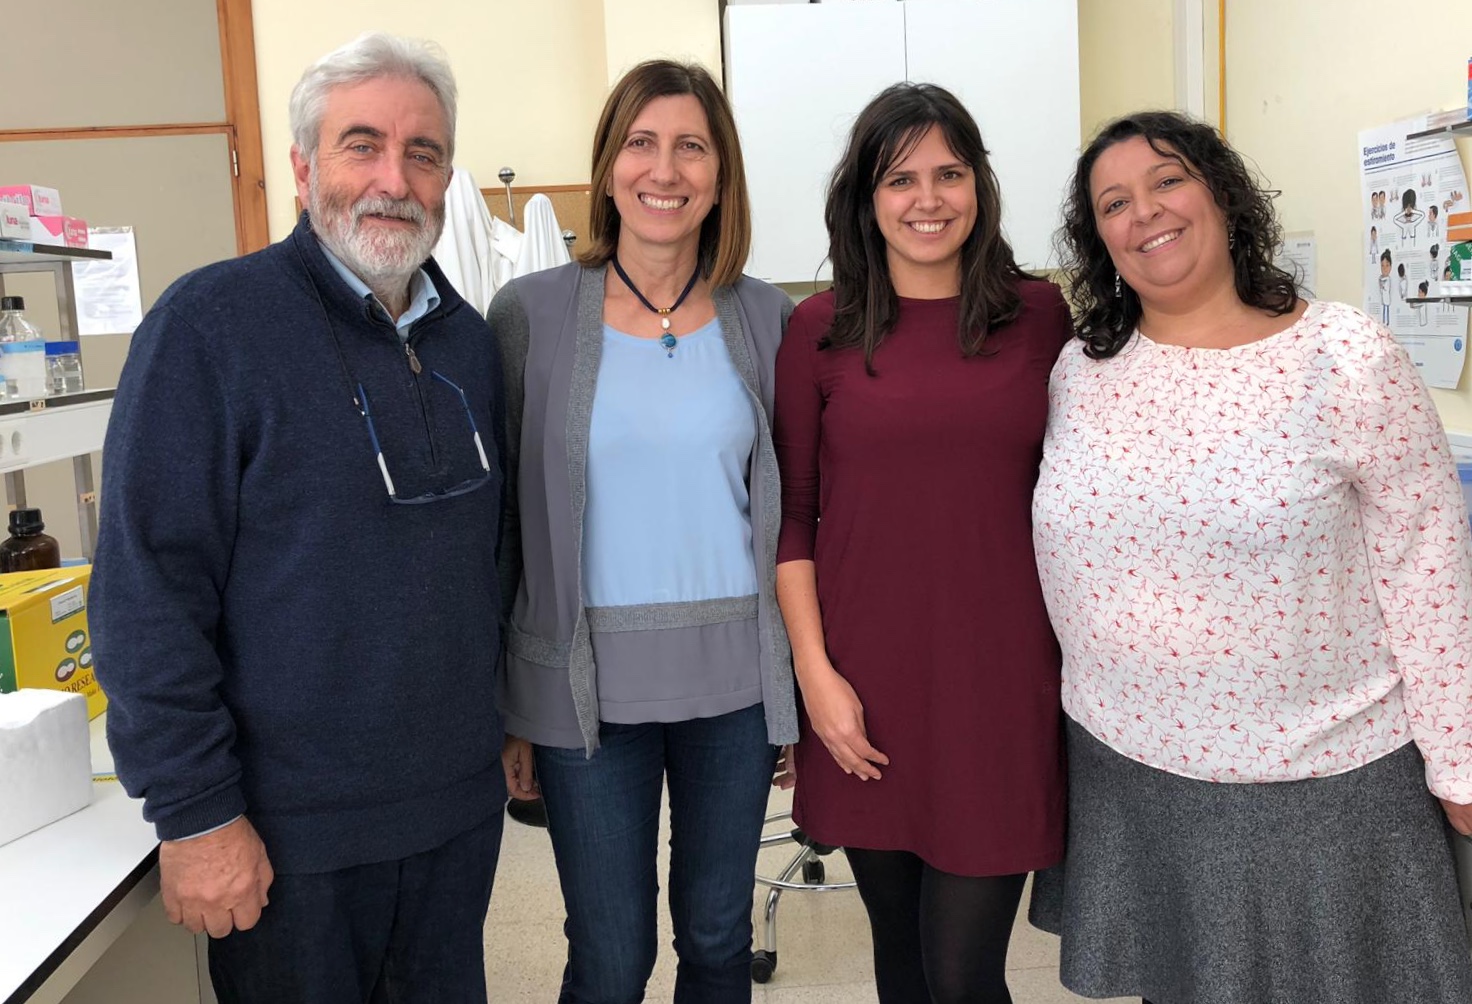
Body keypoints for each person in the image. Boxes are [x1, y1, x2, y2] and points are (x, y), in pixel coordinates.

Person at [91, 32, 507, 1004]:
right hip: (288, 838)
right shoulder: (209, 329)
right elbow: (148, 593)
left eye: (422, 152)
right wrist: (197, 813)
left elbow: (487, 564)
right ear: (302, 167)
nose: (393, 179)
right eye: (362, 145)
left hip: (453, 817)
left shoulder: (471, 346)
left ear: (447, 178)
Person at [1029, 109, 1472, 1004]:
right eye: (1114, 203)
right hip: (1126, 769)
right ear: (1099, 239)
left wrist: (1460, 762)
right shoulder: (1080, 370)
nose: (1145, 213)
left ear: (1223, 196)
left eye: (1168, 181)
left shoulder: (1345, 357)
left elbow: (1431, 572)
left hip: (1319, 782)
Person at [490, 59, 796, 1004]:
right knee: (611, 955)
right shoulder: (530, 315)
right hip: (587, 696)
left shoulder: (769, 319)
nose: (665, 170)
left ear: (722, 173)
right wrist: (510, 702)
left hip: (736, 692)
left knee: (716, 938)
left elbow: (796, 519)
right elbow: (503, 525)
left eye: (691, 147)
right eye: (641, 143)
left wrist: (792, 691)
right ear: (608, 165)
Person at [772, 83, 1071, 1004]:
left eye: (949, 173)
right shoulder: (820, 329)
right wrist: (817, 681)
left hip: (1001, 686)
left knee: (965, 975)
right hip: (865, 691)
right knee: (901, 966)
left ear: (980, 184)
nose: (928, 199)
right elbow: (795, 519)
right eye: (901, 179)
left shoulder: (1039, 318)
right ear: (867, 197)